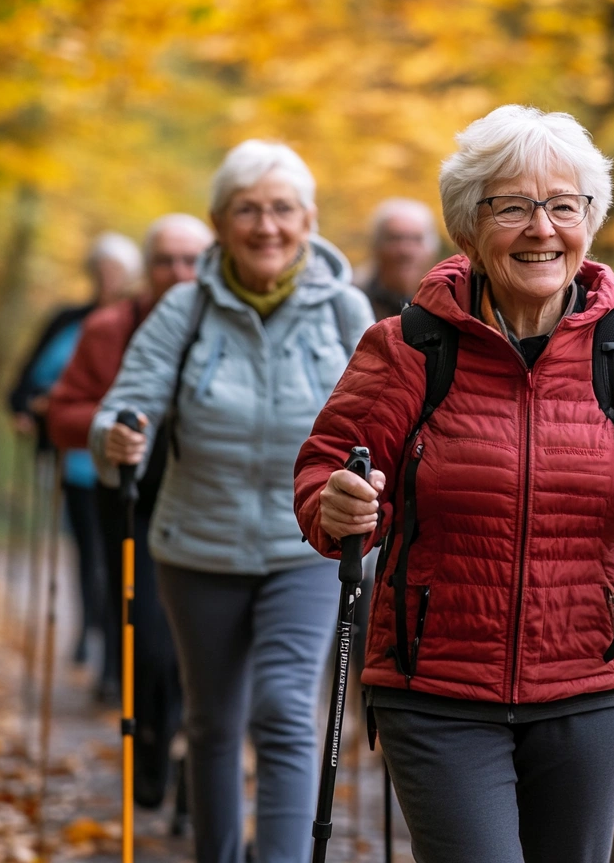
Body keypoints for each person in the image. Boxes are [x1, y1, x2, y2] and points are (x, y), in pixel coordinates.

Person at [294, 104, 614, 863]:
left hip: (587, 683)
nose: (542, 229)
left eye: (564, 206)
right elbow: (326, 473)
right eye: (513, 207)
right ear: (469, 227)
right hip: (434, 685)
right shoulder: (410, 346)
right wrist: (336, 504)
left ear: (588, 222)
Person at [89, 140, 375, 863]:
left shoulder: (344, 309)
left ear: (308, 218)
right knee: (214, 721)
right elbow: (124, 405)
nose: (266, 225)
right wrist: (116, 438)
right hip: (198, 546)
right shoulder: (185, 309)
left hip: (306, 545)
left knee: (283, 711)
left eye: (282, 209)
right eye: (247, 210)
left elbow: (384, 415)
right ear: (220, 221)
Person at [48, 213, 212, 807]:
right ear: (147, 268)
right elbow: (62, 413)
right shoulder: (108, 328)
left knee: (204, 653)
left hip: (209, 508)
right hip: (135, 508)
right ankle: (149, 742)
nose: (179, 272)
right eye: (166, 260)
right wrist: (106, 429)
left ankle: (197, 763)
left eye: (191, 260)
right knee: (147, 643)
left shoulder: (229, 326)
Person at [8, 231, 143, 687]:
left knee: (123, 561)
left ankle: (114, 654)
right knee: (93, 553)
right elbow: (23, 388)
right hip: (79, 463)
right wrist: (33, 409)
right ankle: (93, 635)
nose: (108, 279)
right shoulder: (67, 321)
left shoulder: (144, 319)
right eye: (101, 270)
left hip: (134, 465)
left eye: (116, 271)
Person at [357, 197, 441, 320]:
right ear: (376, 246)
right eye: (395, 239)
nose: (406, 251)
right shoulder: (352, 297)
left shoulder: (453, 299)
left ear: (432, 249)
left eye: (416, 239)